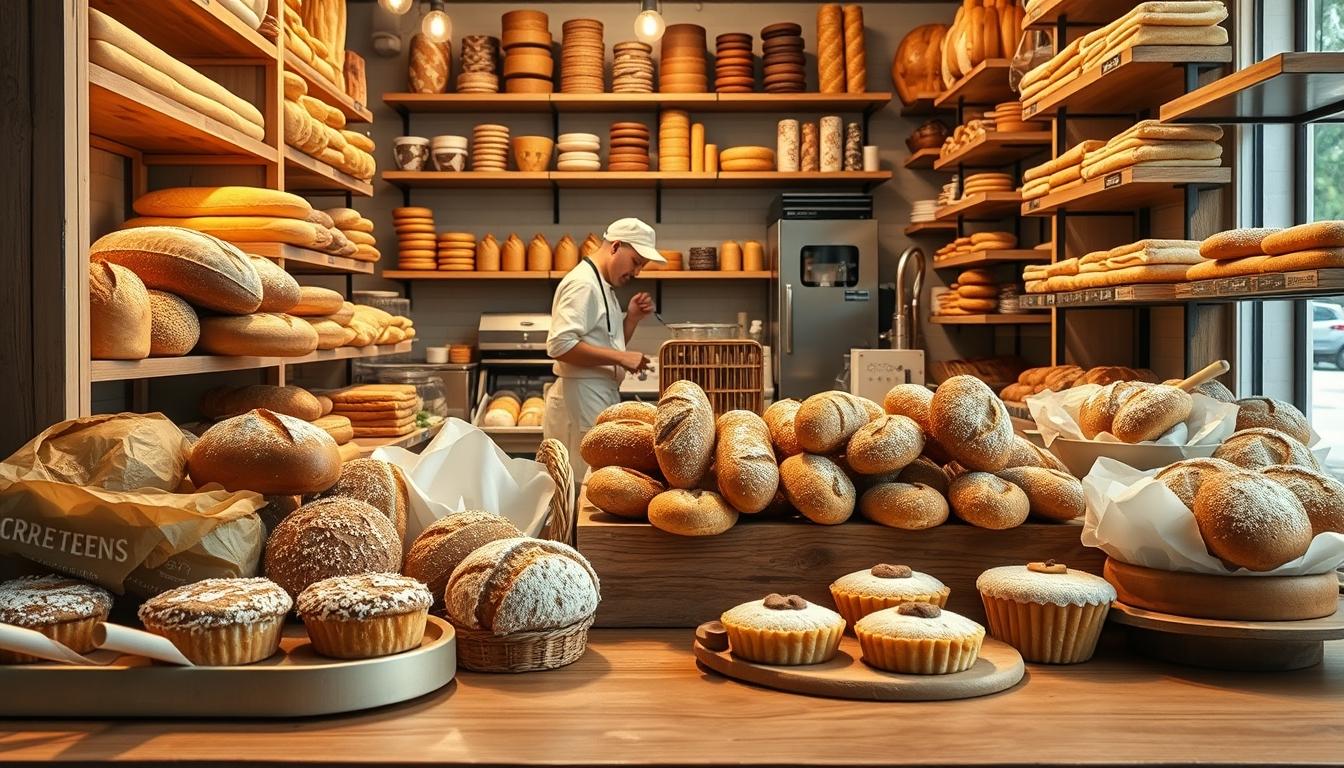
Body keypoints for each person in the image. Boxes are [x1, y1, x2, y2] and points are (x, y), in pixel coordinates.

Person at [544, 217, 665, 481]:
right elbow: (559, 345)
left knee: (593, 481)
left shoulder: (602, 284)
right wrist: (622, 358)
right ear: (615, 246)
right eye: (636, 262)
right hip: (582, 393)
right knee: (584, 484)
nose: (637, 273)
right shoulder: (583, 284)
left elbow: (606, 340)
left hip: (595, 392)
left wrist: (631, 318)